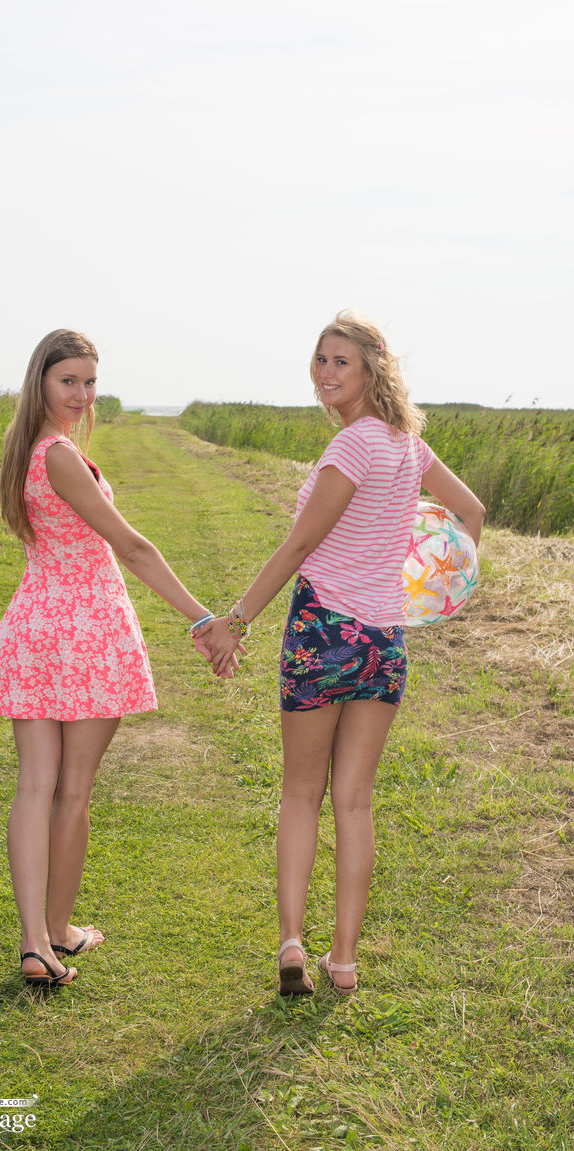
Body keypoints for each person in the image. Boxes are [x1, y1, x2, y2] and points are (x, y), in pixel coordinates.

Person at [195, 311, 485, 995]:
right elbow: (469, 513)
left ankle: (293, 942)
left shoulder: (353, 447)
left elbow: (298, 546)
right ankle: (344, 961)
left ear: (371, 369)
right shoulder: (408, 446)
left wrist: (234, 621)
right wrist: (428, 586)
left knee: (303, 792)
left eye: (340, 362)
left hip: (324, 633)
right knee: (354, 801)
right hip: (385, 642)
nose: (326, 373)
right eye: (320, 360)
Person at [0, 329, 221, 989]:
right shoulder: (57, 455)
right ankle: (42, 936)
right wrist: (201, 617)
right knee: (66, 789)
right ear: (42, 384)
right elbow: (133, 548)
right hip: (82, 633)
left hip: (39, 628)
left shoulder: (33, 450)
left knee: (42, 786)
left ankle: (53, 932)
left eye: (89, 381)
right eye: (69, 382)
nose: (82, 394)